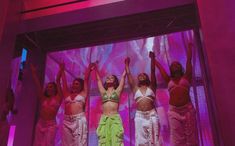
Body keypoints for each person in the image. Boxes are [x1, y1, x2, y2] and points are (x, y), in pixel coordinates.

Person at [154, 43, 198, 146]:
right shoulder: (169, 79)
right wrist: (153, 59)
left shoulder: (186, 76)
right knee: (177, 138)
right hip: (174, 111)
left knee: (191, 137)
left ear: (180, 67)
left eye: (177, 64)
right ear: (171, 69)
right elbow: (161, 69)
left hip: (187, 109)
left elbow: (188, 61)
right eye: (173, 65)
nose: (175, 65)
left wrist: (189, 48)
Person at [125, 52, 161, 146]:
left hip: (152, 114)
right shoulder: (135, 88)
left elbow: (153, 71)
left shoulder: (152, 87)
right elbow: (129, 75)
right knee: (141, 141)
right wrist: (127, 64)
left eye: (143, 75)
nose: (141, 76)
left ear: (147, 78)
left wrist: (152, 58)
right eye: (139, 75)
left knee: (154, 140)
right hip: (140, 116)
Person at [58, 63, 93, 146]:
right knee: (66, 144)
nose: (74, 85)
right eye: (73, 83)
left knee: (79, 143)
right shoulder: (67, 94)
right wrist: (62, 71)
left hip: (79, 120)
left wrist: (89, 69)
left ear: (81, 86)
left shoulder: (83, 94)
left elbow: (86, 79)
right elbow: (64, 83)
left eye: (77, 84)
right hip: (67, 121)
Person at [94, 62, 126, 146]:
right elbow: (98, 80)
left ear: (115, 82)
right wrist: (96, 69)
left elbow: (123, 77)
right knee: (104, 141)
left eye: (111, 78)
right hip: (104, 119)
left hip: (114, 118)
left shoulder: (117, 91)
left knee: (116, 140)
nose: (109, 78)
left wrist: (126, 65)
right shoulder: (103, 92)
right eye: (107, 78)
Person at [30, 64, 63, 146]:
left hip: (50, 125)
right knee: (37, 144)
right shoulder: (43, 98)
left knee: (48, 144)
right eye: (47, 87)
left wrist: (61, 71)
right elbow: (37, 85)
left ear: (55, 88)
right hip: (41, 123)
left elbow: (58, 80)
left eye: (51, 87)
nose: (48, 88)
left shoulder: (58, 97)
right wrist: (34, 73)